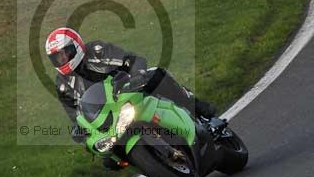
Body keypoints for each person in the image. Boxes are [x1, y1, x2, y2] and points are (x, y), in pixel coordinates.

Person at [45, 28, 217, 169]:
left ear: (75, 45)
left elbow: (131, 60)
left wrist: (137, 75)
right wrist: (80, 132)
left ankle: (197, 106)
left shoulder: (97, 51)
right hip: (109, 117)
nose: (62, 60)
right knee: (109, 160)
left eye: (64, 54)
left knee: (158, 75)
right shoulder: (63, 84)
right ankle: (153, 164)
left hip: (129, 90)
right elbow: (76, 115)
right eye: (56, 58)